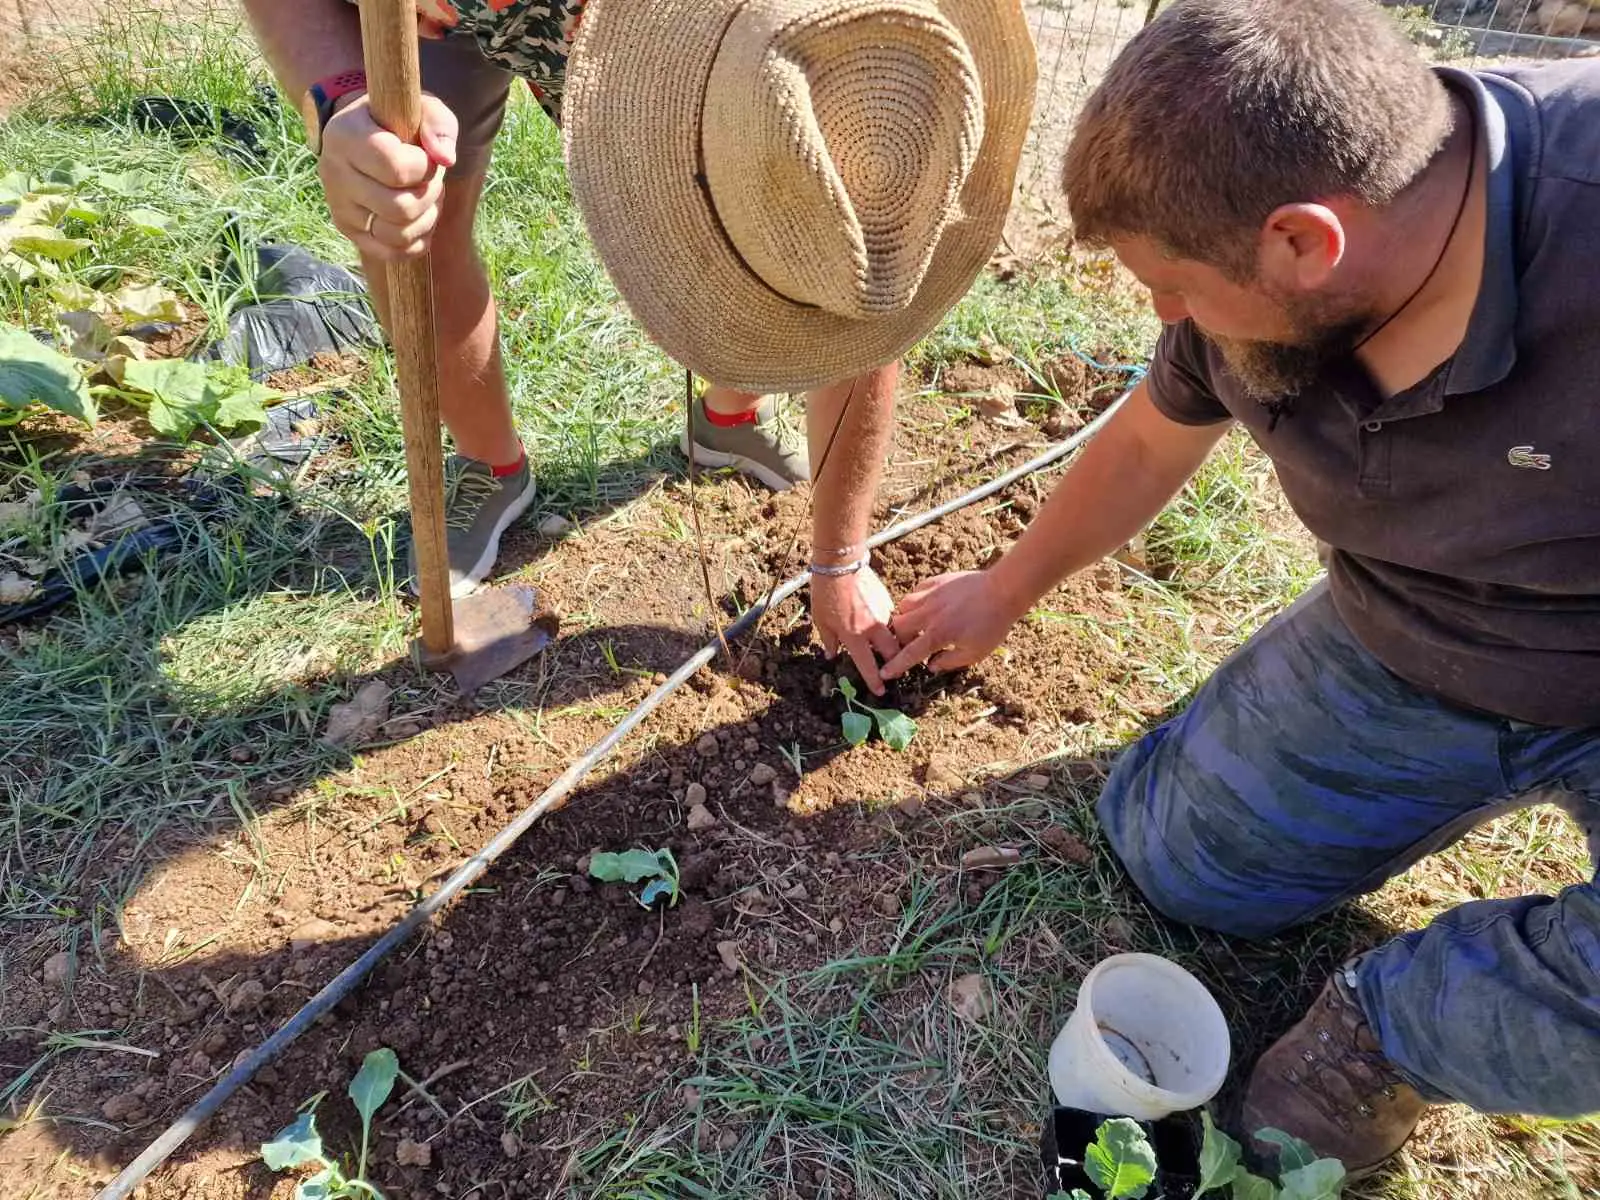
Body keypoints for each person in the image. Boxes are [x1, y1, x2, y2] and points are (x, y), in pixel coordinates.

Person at [884, 0, 1600, 1176]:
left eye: (1172, 286)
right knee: (1179, 865)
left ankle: (1393, 1031)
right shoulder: (1264, 249)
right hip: (1417, 637)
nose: (1159, 315)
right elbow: (1146, 443)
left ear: (1305, 242)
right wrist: (1004, 591)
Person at [240, 0, 1035, 695]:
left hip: (657, 42)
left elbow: (862, 299)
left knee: (764, 223)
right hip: (429, 16)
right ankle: (491, 466)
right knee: (410, 228)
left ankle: (730, 416)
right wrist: (341, 100)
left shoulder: (823, 65)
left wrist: (839, 558)